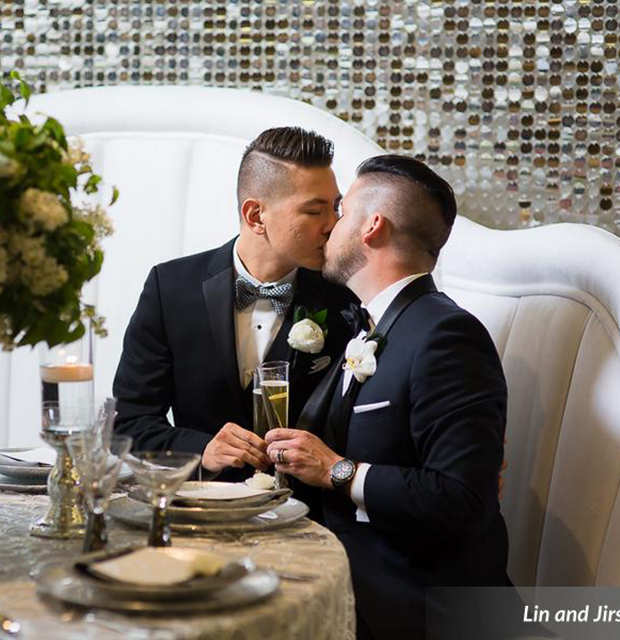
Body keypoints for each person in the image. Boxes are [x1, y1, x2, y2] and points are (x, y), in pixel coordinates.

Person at [264, 155, 511, 639]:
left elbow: (464, 500)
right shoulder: (376, 326)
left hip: (416, 610)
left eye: (342, 209)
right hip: (345, 585)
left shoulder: (446, 335)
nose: (330, 225)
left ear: (372, 226)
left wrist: (337, 470)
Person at [113, 127, 357, 479]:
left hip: (307, 513)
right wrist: (203, 450)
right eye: (314, 211)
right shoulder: (170, 289)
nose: (332, 225)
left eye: (335, 208)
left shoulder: (345, 298)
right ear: (256, 216)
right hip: (199, 507)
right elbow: (129, 424)